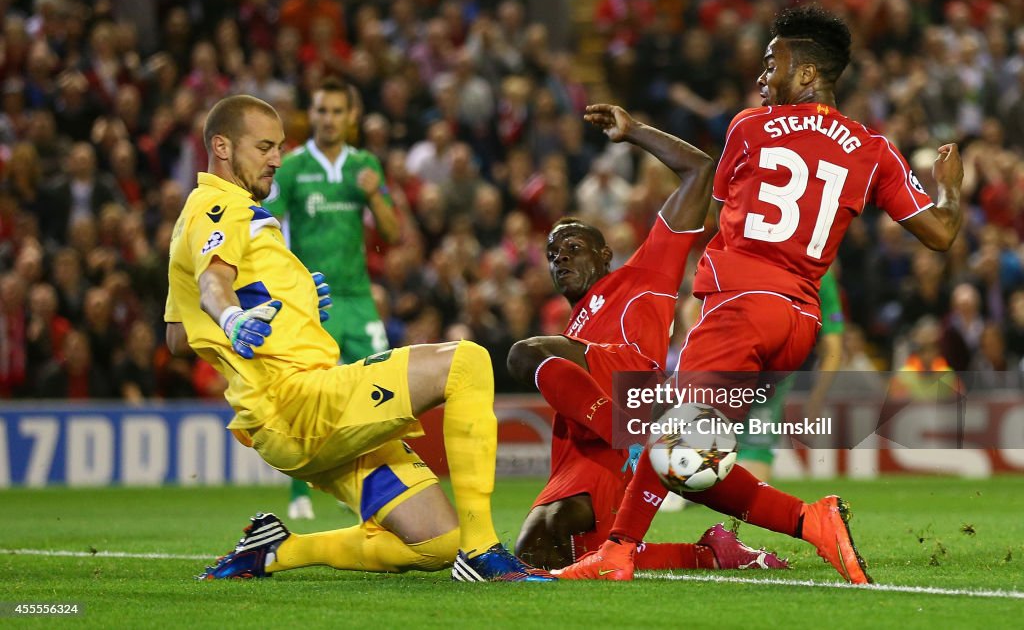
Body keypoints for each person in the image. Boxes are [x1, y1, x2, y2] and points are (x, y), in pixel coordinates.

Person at [553, 5, 963, 584]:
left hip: (740, 307)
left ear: (806, 75)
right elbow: (941, 234)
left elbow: (716, 200)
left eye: (773, 63)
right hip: (798, 325)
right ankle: (811, 521)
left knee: (672, 432)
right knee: (695, 458)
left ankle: (617, 552)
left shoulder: (750, 127)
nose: (762, 76)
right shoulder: (874, 149)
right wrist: (950, 190)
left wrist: (638, 133)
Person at [166, 94, 553, 582]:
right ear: (221, 146)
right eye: (264, 147)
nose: (276, 159)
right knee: (467, 361)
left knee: (433, 542)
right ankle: (482, 553)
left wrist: (295, 304)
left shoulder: (201, 219)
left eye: (280, 147)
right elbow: (213, 287)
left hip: (303, 414)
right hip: (299, 401)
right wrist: (231, 320)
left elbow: (178, 336)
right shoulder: (219, 204)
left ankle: (276, 551)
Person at [507, 103, 787, 573]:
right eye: (553, 254)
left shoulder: (643, 274)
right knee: (549, 555)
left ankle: (638, 434)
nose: (560, 259)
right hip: (583, 447)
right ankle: (710, 553)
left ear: (605, 253)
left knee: (526, 353)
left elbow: (700, 170)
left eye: (573, 247)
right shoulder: (572, 327)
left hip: (624, 400)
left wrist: (635, 131)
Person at [263, 76, 399, 520]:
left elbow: (392, 232)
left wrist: (372, 195)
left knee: (383, 393)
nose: (329, 119)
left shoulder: (365, 166)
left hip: (358, 298)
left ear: (352, 117)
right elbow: (267, 225)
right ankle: (299, 492)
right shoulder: (292, 167)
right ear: (311, 113)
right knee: (309, 393)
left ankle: (375, 487)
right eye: (321, 110)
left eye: (338, 111)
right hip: (311, 300)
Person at [738, 267, 844, 481]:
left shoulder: (737, 248)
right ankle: (738, 507)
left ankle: (682, 485)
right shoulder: (819, 271)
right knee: (756, 442)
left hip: (725, 357)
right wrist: (817, 397)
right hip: (773, 366)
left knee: (706, 428)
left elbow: (692, 309)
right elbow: (834, 347)